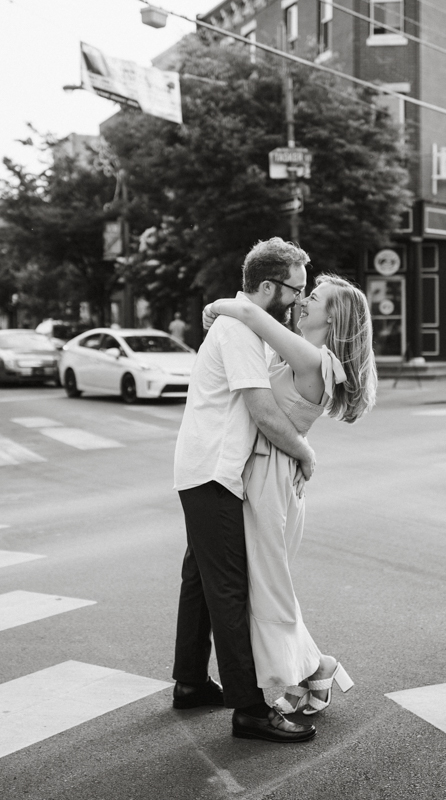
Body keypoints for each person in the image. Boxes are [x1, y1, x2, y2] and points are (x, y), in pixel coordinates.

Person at [203, 272, 377, 718]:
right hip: (268, 472)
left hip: (272, 478)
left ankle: (316, 666)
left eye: (313, 297)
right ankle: (309, 671)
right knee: (264, 586)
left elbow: (246, 310)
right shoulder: (303, 354)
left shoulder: (313, 357)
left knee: (267, 589)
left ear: (332, 315)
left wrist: (214, 307)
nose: (302, 301)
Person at [172, 238, 319, 744]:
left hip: (205, 468)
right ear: (265, 286)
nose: (300, 301)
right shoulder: (238, 330)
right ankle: (251, 709)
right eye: (295, 290)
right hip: (215, 472)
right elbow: (261, 409)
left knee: (200, 578)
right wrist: (304, 451)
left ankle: (190, 683)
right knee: (229, 590)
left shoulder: (242, 323)